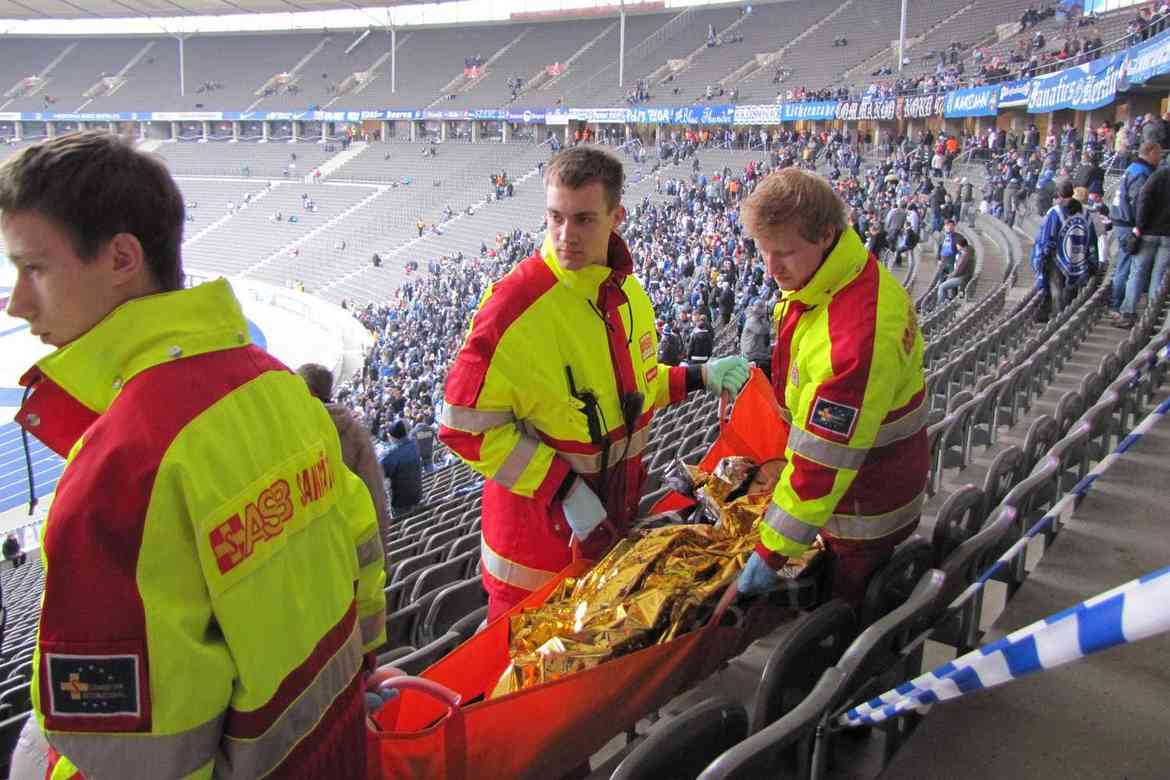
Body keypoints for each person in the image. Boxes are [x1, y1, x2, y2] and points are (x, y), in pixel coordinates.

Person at [3, 132, 385, 780]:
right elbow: (362, 556)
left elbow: (129, 755)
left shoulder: (121, 471)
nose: (15, 301)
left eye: (34, 269)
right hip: (344, 747)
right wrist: (363, 672)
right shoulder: (279, 388)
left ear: (122, 256)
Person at [438, 147, 747, 619]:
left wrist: (698, 376)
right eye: (555, 217)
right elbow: (461, 426)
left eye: (583, 220)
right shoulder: (513, 306)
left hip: (606, 540)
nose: (566, 236)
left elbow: (630, 392)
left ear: (615, 216)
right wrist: (563, 489)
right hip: (534, 563)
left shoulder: (629, 297)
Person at [734, 168, 928, 606]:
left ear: (824, 235)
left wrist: (771, 552)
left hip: (863, 514)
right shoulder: (831, 275)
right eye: (763, 252)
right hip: (855, 491)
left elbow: (821, 467)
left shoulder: (854, 337)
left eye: (783, 252)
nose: (770, 268)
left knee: (844, 624)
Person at [298, 362, 391, 542]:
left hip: (336, 544)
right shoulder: (356, 431)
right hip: (364, 539)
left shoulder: (304, 437)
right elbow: (376, 496)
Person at [1031, 180, 1100, 322]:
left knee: (1056, 293)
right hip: (1077, 260)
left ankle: (1056, 322)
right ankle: (1064, 320)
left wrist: (1041, 258)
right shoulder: (1086, 213)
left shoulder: (1055, 212)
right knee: (1070, 295)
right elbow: (1092, 239)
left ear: (1058, 194)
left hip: (1057, 260)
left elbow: (1047, 238)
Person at [1117, 154, 1170, 329]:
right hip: (1167, 236)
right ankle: (1150, 316)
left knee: (1138, 272)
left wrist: (1139, 226)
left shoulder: (1157, 176)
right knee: (1159, 276)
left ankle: (1128, 313)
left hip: (1148, 232)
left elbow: (1144, 199)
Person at [380, 419, 423, 517]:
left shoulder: (390, 455)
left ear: (392, 437)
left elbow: (377, 474)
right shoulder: (413, 444)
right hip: (417, 496)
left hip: (400, 504)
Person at [739, 300, 773, 379]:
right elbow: (764, 330)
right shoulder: (752, 320)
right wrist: (765, 317)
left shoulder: (758, 319)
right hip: (752, 355)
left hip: (758, 352)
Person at [936, 234, 975, 304]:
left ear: (960, 245)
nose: (956, 246)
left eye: (957, 245)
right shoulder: (969, 251)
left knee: (941, 287)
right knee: (946, 281)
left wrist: (949, 275)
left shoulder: (965, 255)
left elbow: (958, 271)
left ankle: (940, 305)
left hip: (963, 278)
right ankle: (948, 300)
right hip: (966, 276)